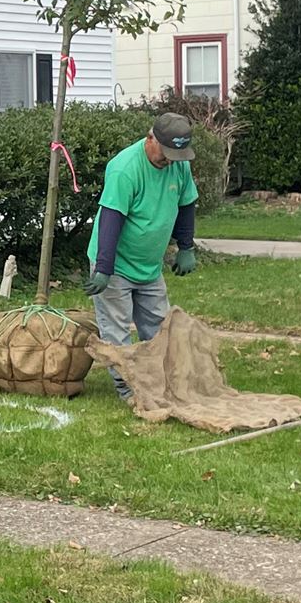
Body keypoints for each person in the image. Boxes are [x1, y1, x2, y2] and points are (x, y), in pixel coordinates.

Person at [87, 111, 201, 399]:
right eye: (165, 153)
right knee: (117, 330)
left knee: (159, 327)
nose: (169, 161)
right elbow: (111, 218)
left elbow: (186, 204)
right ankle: (129, 389)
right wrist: (103, 268)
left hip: (149, 267)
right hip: (115, 266)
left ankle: (159, 383)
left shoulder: (178, 165)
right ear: (150, 138)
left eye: (176, 155)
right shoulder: (125, 168)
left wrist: (186, 246)